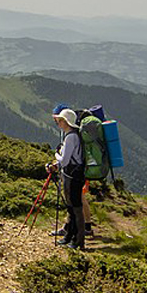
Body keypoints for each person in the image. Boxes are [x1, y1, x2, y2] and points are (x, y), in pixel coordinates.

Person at [47, 107, 84, 249]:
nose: (58, 123)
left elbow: (64, 160)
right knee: (72, 207)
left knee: (75, 207)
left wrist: (56, 155)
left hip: (72, 176)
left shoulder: (71, 137)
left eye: (60, 121)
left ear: (66, 122)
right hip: (73, 175)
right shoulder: (74, 135)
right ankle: (70, 237)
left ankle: (78, 241)